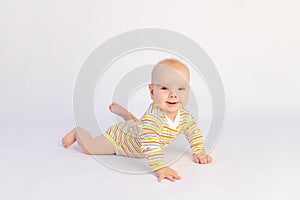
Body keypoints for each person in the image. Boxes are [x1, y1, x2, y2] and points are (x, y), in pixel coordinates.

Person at [62, 58, 213, 182]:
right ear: (152, 92)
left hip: (137, 128)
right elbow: (151, 144)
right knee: (91, 149)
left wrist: (199, 150)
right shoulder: (152, 121)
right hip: (121, 139)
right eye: (165, 88)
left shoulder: (185, 117)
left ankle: (126, 115)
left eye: (181, 89)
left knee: (139, 125)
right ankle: (78, 132)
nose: (173, 94)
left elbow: (193, 132)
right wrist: (160, 167)